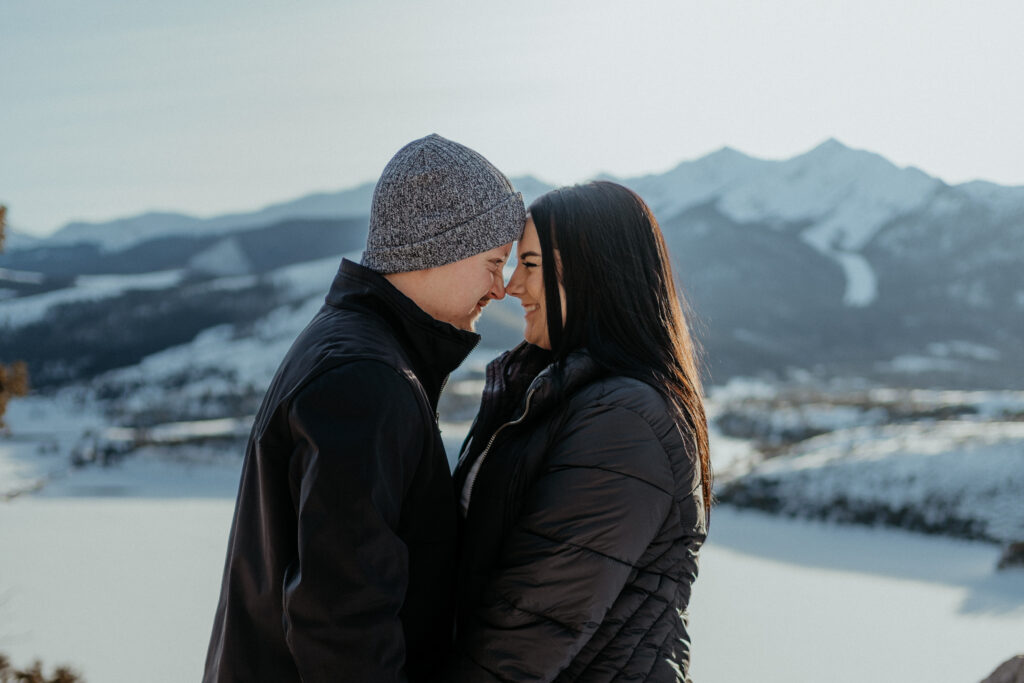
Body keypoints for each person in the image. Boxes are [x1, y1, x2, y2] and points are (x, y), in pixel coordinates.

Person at [203, 134, 526, 682]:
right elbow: (341, 618)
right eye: (494, 262)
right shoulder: (367, 378)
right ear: (439, 247)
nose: (500, 288)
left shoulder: (353, 346)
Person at [449, 181, 712, 682]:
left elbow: (530, 626)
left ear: (591, 275)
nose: (510, 287)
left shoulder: (624, 423)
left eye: (530, 265)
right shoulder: (555, 393)